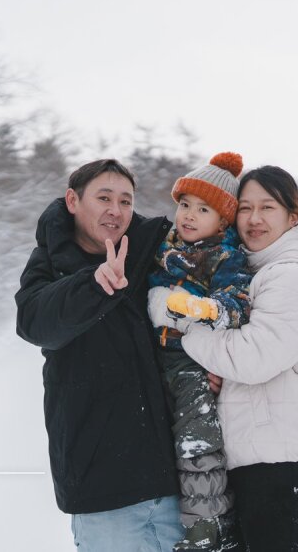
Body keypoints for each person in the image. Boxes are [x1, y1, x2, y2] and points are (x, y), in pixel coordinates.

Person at [149, 165, 298, 552]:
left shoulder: (292, 274)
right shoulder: (253, 271)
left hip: (285, 460)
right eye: (245, 208)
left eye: (268, 207)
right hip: (261, 454)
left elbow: (256, 357)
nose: (254, 219)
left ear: (293, 217)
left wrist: (187, 336)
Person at [15, 159, 182, 551]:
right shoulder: (50, 263)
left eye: (125, 200)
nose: (116, 210)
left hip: (174, 481)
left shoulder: (152, 251)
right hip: (103, 489)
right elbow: (35, 323)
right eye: (104, 197)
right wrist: (94, 284)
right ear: (73, 200)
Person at [148, 152, 251, 551]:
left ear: (223, 220)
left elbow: (237, 302)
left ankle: (207, 533)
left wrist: (203, 308)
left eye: (202, 209)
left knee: (197, 445)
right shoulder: (165, 247)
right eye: (184, 205)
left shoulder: (226, 256)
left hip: (193, 364)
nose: (188, 215)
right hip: (157, 359)